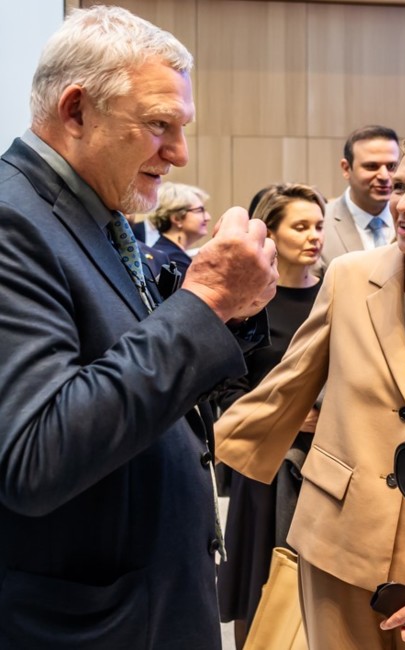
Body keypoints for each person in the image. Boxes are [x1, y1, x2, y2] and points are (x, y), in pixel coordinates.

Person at [0, 6, 277, 649]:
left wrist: (226, 312)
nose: (178, 154)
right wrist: (204, 301)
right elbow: (38, 453)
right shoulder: (14, 223)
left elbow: (126, 365)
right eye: (159, 126)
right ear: (75, 111)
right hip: (90, 621)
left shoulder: (90, 210)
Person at [215, 123, 405, 649]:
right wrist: (205, 448)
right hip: (337, 531)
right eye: (401, 187)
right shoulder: (350, 275)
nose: (403, 204)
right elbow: (292, 380)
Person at [215, 183, 326, 649]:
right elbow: (224, 387)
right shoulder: (251, 302)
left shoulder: (335, 295)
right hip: (264, 465)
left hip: (325, 463)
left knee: (315, 598)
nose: (314, 236)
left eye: (319, 225)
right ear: (272, 234)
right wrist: (283, 414)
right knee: (258, 589)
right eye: (301, 226)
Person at [320, 124, 400, 267]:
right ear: (346, 169)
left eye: (391, 166)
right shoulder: (320, 223)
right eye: (371, 166)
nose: (384, 176)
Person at [149, 181, 212, 279]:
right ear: (177, 218)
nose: (208, 217)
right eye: (200, 211)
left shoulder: (164, 251)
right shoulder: (175, 260)